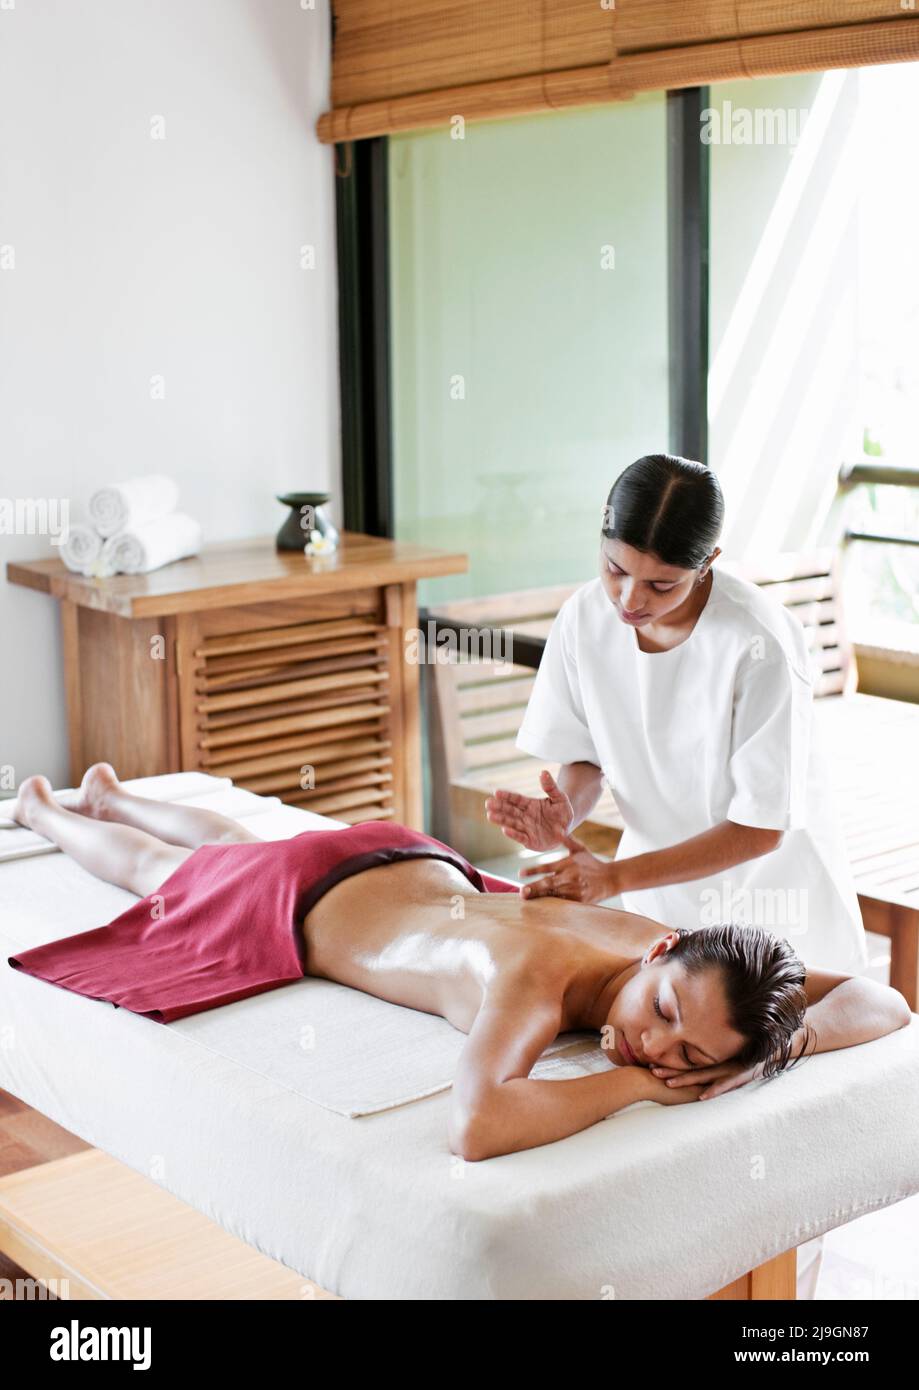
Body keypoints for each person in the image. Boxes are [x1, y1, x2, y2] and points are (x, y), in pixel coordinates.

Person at [8, 764, 908, 1161]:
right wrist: (633, 1090)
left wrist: (775, 1048)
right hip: (312, 901)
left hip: (415, 859)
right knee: (165, 875)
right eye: (664, 1016)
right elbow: (475, 1126)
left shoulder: (680, 964)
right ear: (663, 949)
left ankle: (116, 793)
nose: (653, 1050)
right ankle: (48, 810)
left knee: (238, 840)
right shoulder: (535, 985)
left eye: (690, 1060)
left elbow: (883, 1001)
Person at [487, 452, 868, 975]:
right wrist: (565, 812)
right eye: (615, 569)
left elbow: (759, 829)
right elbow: (587, 759)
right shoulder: (583, 618)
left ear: (708, 561)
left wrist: (614, 878)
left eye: (661, 585)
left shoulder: (758, 642)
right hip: (657, 907)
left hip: (771, 915)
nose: (628, 599)